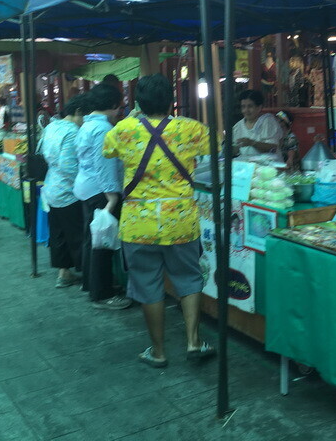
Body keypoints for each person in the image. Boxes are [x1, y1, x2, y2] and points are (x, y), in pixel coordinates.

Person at [103, 73, 215, 368]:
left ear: (138, 101)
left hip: (138, 223)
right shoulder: (191, 129)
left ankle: (158, 350)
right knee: (189, 278)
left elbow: (108, 150)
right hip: (181, 220)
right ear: (172, 101)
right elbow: (218, 142)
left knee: (147, 284)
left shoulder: (123, 129)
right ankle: (193, 341)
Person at [74, 83, 132, 310]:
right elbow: (104, 165)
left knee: (93, 239)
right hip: (100, 191)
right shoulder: (103, 130)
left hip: (86, 188)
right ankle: (102, 293)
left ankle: (92, 284)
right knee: (103, 244)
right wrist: (112, 197)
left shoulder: (87, 125)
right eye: (120, 106)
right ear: (114, 105)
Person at [40, 94, 89, 288]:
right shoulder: (72, 132)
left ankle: (64, 273)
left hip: (51, 187)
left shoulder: (52, 126)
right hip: (69, 192)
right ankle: (87, 275)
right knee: (77, 236)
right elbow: (69, 167)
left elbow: (44, 154)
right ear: (78, 112)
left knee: (58, 233)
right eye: (85, 116)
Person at [232, 89, 282, 158]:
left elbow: (273, 148)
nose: (246, 110)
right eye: (243, 107)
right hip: (247, 167)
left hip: (269, 166)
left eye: (250, 106)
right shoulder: (238, 127)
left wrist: (252, 143)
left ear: (259, 107)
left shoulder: (268, 121)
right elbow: (235, 150)